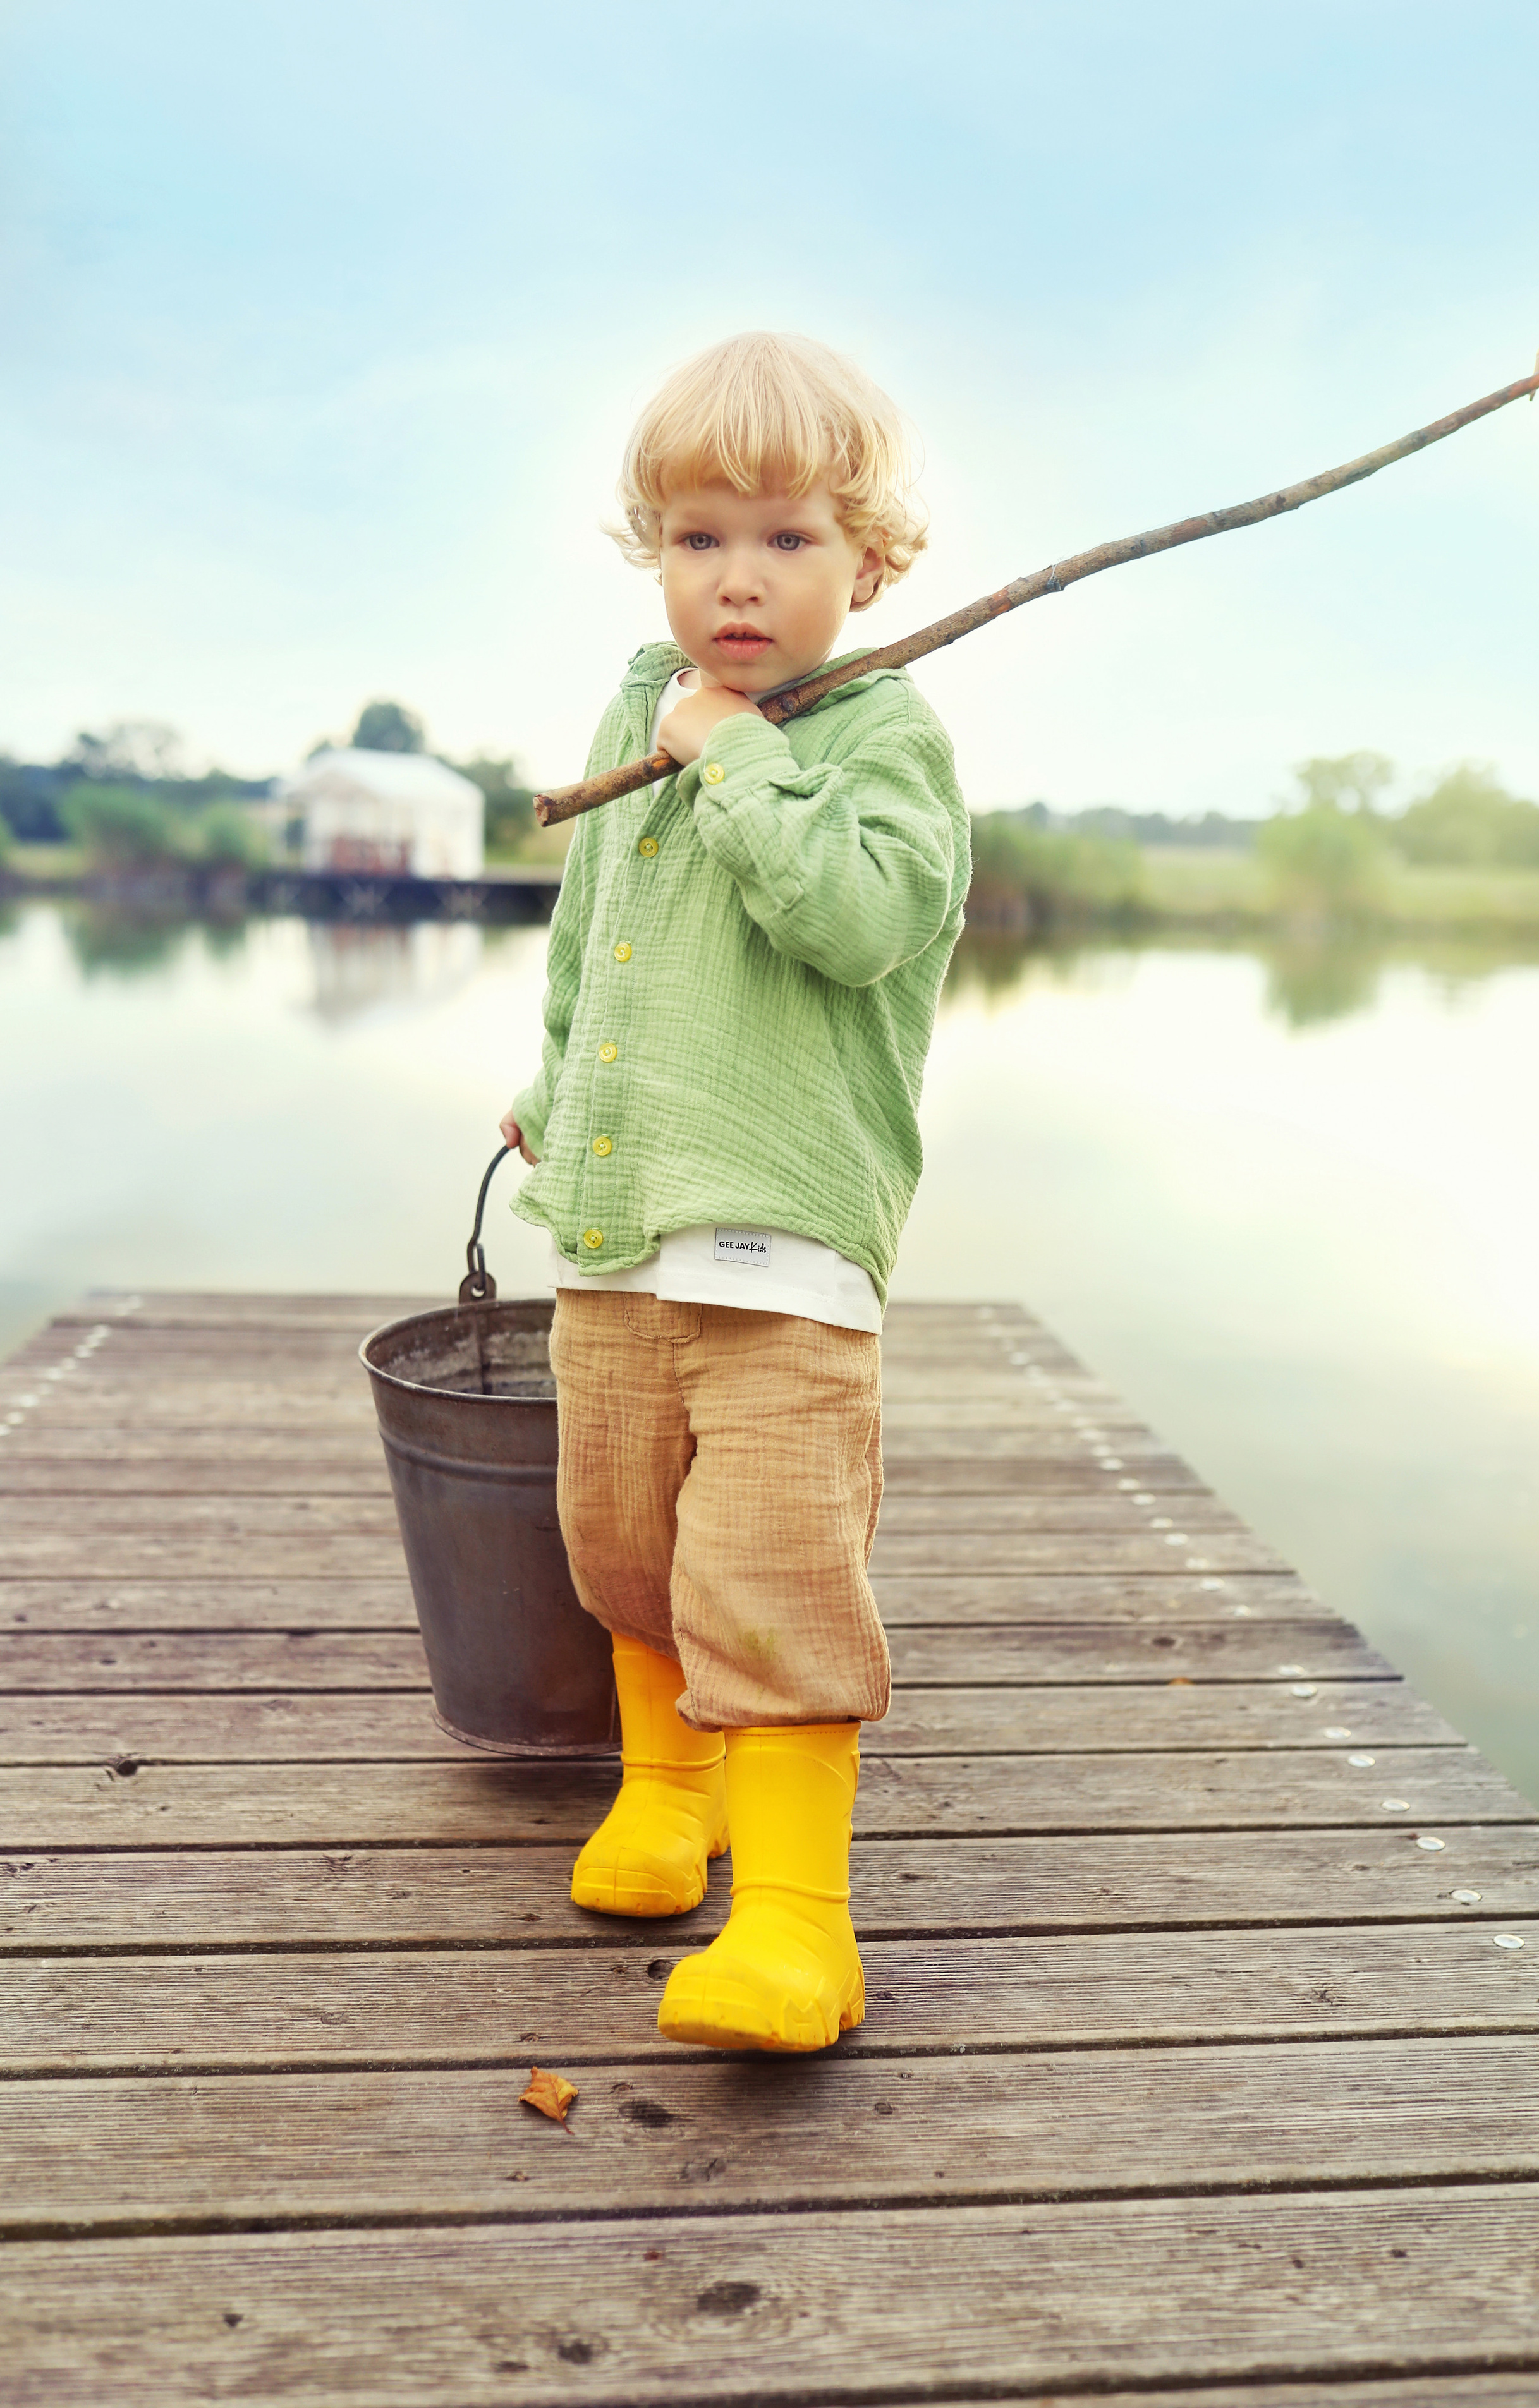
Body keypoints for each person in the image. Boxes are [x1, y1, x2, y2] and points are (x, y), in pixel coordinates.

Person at [499, 330, 968, 2053]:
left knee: (770, 1571)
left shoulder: (878, 740)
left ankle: (796, 1926)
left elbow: (851, 922)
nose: (741, 582)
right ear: (657, 554)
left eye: (786, 540)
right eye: (702, 539)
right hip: (620, 1232)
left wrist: (736, 755)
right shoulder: (648, 708)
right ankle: (666, 1796)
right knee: (622, 1542)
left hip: (785, 1259)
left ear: (871, 560)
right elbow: (593, 945)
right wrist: (559, 1084)